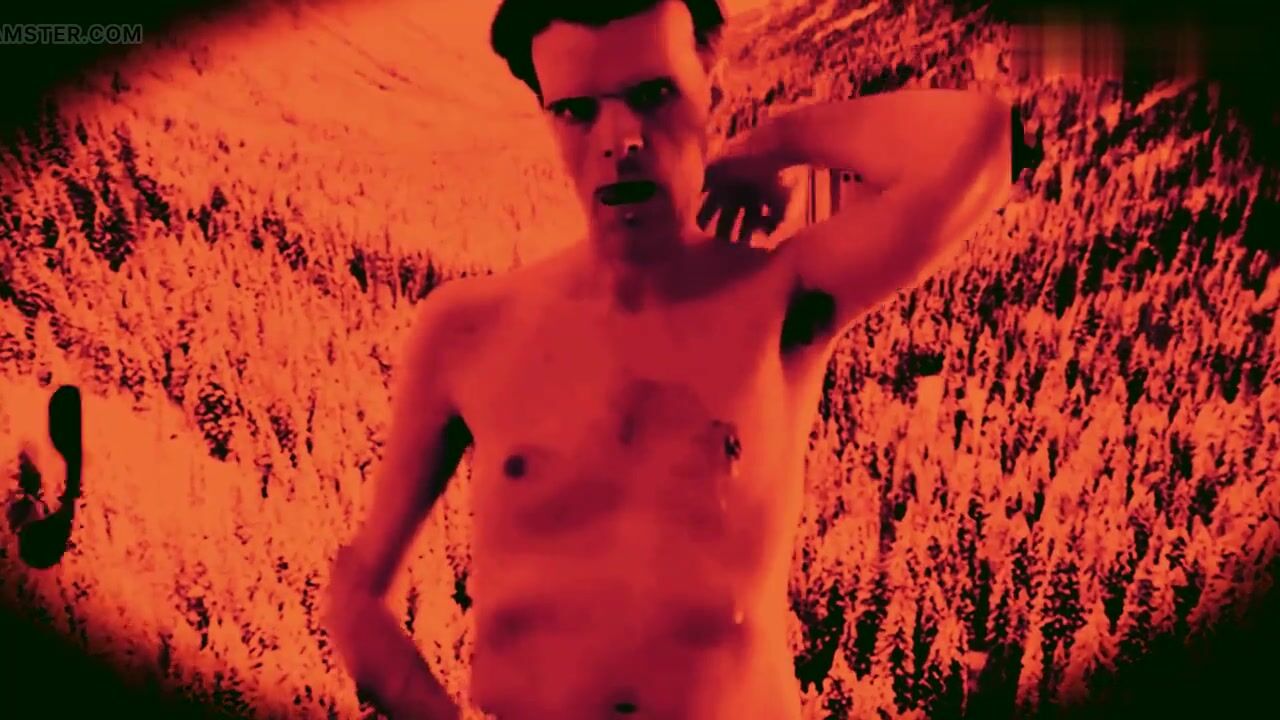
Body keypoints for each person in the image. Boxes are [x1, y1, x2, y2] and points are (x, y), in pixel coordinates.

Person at [322, 1, 1011, 718]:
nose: (620, 139)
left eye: (654, 95)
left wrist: (771, 142)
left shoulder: (781, 299)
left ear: (711, 87)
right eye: (577, 111)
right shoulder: (468, 330)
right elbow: (356, 592)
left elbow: (978, 140)